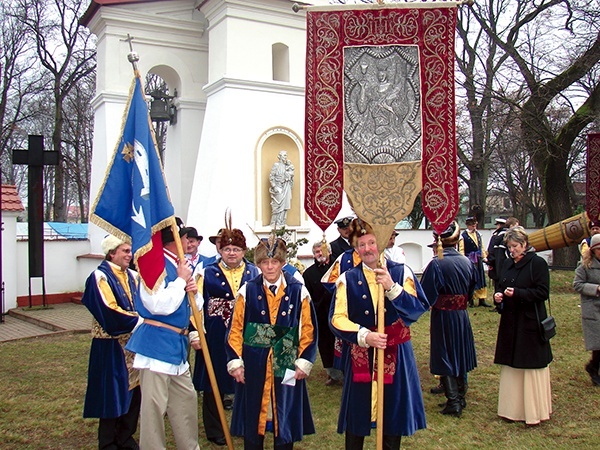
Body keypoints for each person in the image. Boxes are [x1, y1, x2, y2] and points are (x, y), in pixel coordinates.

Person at [329, 218, 430, 449]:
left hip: (396, 352)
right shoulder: (347, 279)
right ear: (355, 248)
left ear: (381, 243)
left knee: (392, 414)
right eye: (361, 244)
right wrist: (364, 335)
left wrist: (393, 289)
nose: (367, 249)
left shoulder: (401, 271)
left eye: (371, 242)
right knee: (358, 413)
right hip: (361, 354)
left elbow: (417, 309)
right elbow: (336, 319)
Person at [226, 237, 317, 449]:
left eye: (274, 262)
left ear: (282, 263)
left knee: (284, 416)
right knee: (253, 414)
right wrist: (236, 361)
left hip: (286, 358)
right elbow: (236, 329)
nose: (269, 267)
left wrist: (304, 359)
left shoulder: (297, 291)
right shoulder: (247, 291)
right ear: (258, 264)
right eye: (264, 263)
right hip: (254, 361)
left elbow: (308, 328)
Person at [125, 221, 202, 450]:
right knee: (153, 409)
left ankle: (189, 447)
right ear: (173, 239)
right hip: (156, 345)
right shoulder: (154, 265)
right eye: (182, 237)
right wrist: (180, 281)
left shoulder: (180, 265)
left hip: (177, 346)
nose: (188, 242)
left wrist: (193, 291)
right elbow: (157, 304)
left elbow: (193, 307)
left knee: (186, 402)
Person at [190, 227, 259, 446]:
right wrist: (195, 331)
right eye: (227, 249)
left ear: (244, 250)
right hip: (215, 334)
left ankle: (244, 424)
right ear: (220, 250)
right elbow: (196, 305)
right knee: (214, 382)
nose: (231, 253)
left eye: (236, 249)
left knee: (247, 380)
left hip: (247, 334)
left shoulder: (254, 273)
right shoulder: (205, 273)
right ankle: (215, 428)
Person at [82, 235, 142, 450]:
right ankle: (108, 442)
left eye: (129, 251)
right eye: (125, 251)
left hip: (133, 345)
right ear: (112, 253)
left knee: (134, 392)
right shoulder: (99, 277)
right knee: (111, 393)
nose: (129, 255)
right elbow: (108, 310)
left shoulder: (133, 276)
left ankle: (126, 437)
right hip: (110, 346)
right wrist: (139, 320)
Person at [492, 226, 552, 426]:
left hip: (530, 324)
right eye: (510, 246)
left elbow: (542, 292)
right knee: (512, 365)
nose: (512, 250)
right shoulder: (508, 264)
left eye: (516, 246)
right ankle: (511, 410)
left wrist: (518, 293)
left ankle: (532, 411)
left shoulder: (538, 264)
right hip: (510, 322)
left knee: (529, 366)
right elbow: (500, 285)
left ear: (525, 244)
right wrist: (498, 296)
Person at [421, 222, 477, 417]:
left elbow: (425, 293)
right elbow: (472, 290)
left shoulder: (436, 263)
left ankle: (453, 401)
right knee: (460, 352)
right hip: (462, 315)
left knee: (444, 353)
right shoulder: (467, 262)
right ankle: (460, 396)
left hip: (443, 315)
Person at [303, 241, 343, 386]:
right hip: (320, 315)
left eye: (322, 251)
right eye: (317, 252)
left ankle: (346, 371)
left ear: (329, 252)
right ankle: (333, 374)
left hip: (340, 313)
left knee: (342, 343)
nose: (320, 254)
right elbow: (307, 296)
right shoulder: (309, 273)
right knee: (325, 345)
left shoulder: (339, 268)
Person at [572, 233, 600, 386]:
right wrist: (596, 288)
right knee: (598, 343)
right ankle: (593, 368)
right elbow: (577, 284)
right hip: (593, 308)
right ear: (593, 250)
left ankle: (593, 366)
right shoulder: (585, 266)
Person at [459, 216, 491, 307]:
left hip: (478, 258)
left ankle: (482, 299)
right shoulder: (463, 236)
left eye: (475, 225)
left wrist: (484, 257)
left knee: (481, 278)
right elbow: (462, 249)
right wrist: (463, 260)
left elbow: (482, 247)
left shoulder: (478, 234)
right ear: (468, 226)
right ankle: (471, 299)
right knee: (472, 279)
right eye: (472, 226)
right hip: (470, 259)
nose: (474, 227)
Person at [269, 150, 294, 227]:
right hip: (278, 187)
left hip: (286, 187)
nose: (285, 157)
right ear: (280, 156)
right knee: (277, 205)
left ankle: (282, 222)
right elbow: (271, 176)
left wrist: (290, 175)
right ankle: (274, 223)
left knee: (285, 205)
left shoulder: (287, 166)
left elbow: (291, 176)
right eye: (284, 155)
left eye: (286, 155)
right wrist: (274, 186)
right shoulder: (276, 165)